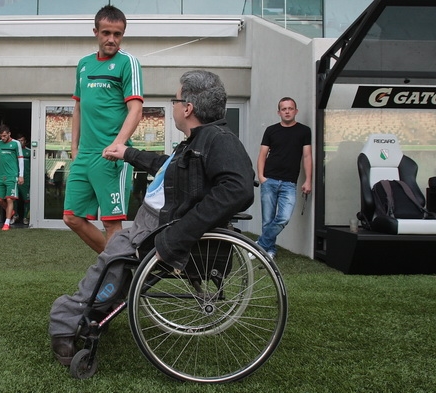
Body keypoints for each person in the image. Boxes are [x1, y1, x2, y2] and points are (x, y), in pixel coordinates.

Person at [49, 70, 255, 366]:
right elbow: (167, 168)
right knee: (116, 253)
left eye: (175, 99)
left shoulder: (219, 140)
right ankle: (93, 312)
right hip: (155, 223)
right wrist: (128, 153)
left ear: (188, 108)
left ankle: (65, 321)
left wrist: (181, 234)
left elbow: (238, 189)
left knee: (115, 257)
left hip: (164, 229)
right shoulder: (198, 139)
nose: (173, 105)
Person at [63, 5, 144, 254]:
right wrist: (74, 147)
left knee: (112, 225)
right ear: (96, 31)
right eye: (106, 32)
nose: (111, 39)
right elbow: (78, 108)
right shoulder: (84, 64)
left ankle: (115, 281)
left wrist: (118, 145)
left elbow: (136, 110)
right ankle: (117, 266)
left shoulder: (128, 63)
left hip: (111, 156)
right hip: (84, 155)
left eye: (117, 34)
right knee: (71, 217)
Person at [255, 97, 312, 259]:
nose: (287, 111)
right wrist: (261, 176)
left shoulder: (304, 131)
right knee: (268, 220)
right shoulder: (271, 130)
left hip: (289, 183)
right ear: (279, 112)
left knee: (283, 218)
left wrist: (308, 180)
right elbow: (262, 155)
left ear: (296, 111)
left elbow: (307, 157)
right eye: (284, 109)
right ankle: (270, 250)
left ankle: (261, 244)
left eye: (290, 108)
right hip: (269, 180)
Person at [0, 124, 24, 231]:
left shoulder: (16, 144)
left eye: (4, 136)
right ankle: (11, 212)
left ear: (9, 134)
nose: (2, 138)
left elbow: (20, 159)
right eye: (1, 136)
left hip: (12, 176)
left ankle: (6, 223)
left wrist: (21, 175)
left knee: (9, 199)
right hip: (0, 175)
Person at [16, 133, 31, 225]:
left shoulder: (29, 151)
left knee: (26, 199)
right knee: (13, 198)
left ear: (25, 141)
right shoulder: (14, 151)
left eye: (22, 140)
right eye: (19, 140)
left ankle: (25, 217)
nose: (21, 142)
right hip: (15, 178)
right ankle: (15, 215)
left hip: (26, 179)